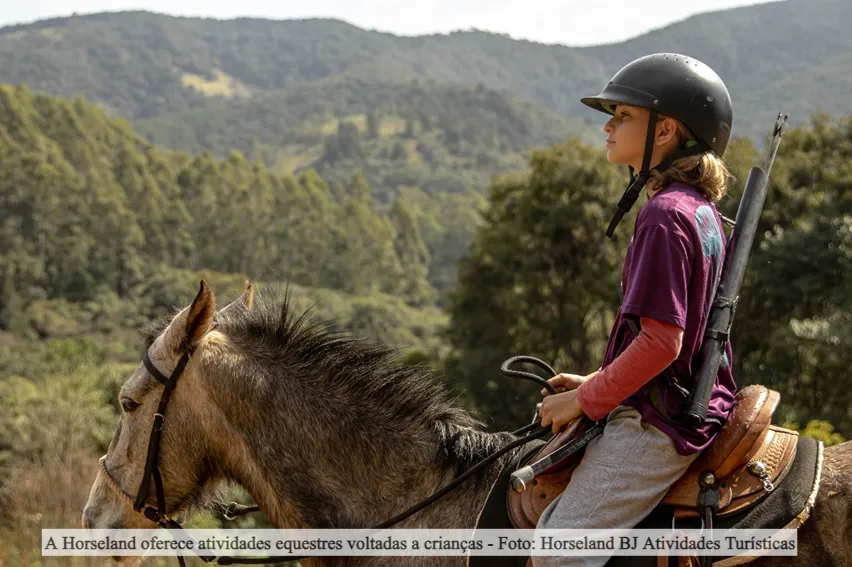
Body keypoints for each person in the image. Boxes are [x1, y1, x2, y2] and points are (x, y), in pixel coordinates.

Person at [532, 53, 738, 567]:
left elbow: (663, 342)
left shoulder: (663, 215)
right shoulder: (699, 209)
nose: (608, 125)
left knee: (557, 555)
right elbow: (683, 338)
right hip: (679, 396)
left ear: (665, 130)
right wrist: (597, 379)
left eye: (623, 116)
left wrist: (587, 401)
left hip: (661, 423)